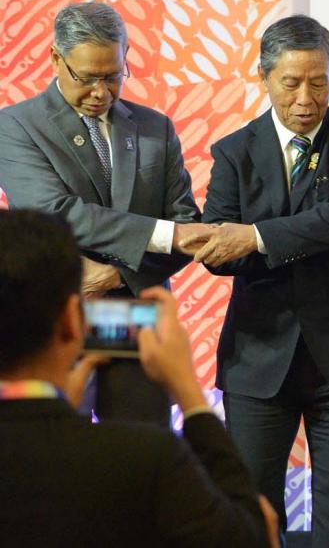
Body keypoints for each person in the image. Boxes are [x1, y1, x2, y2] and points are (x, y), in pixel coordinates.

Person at [198, 15, 329, 547]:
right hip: (257, 360)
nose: (306, 98)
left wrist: (256, 237)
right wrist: (241, 241)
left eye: (319, 82)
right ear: (263, 78)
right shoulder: (234, 151)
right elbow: (217, 246)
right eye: (290, 83)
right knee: (252, 510)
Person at [0, 209, 275, 547]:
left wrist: (56, 406)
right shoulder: (146, 460)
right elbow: (252, 534)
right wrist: (189, 393)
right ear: (74, 321)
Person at [0, 1, 211, 424]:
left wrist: (118, 273)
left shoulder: (156, 128)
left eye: (113, 76)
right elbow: (55, 212)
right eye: (88, 78)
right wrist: (161, 235)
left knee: (139, 460)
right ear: (56, 58)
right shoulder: (16, 126)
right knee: (59, 463)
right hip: (59, 317)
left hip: (135, 317)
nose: (102, 92)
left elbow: (188, 227)